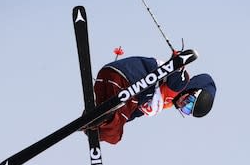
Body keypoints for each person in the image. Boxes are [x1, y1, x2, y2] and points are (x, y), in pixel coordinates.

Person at [86, 53, 217, 144]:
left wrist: (120, 122)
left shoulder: (161, 104)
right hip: (127, 79)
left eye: (186, 110)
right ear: (192, 90)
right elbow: (176, 76)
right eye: (189, 102)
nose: (183, 105)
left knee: (115, 129)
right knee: (114, 134)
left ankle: (91, 121)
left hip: (107, 77)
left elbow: (134, 113)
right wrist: (178, 62)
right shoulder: (180, 84)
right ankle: (99, 120)